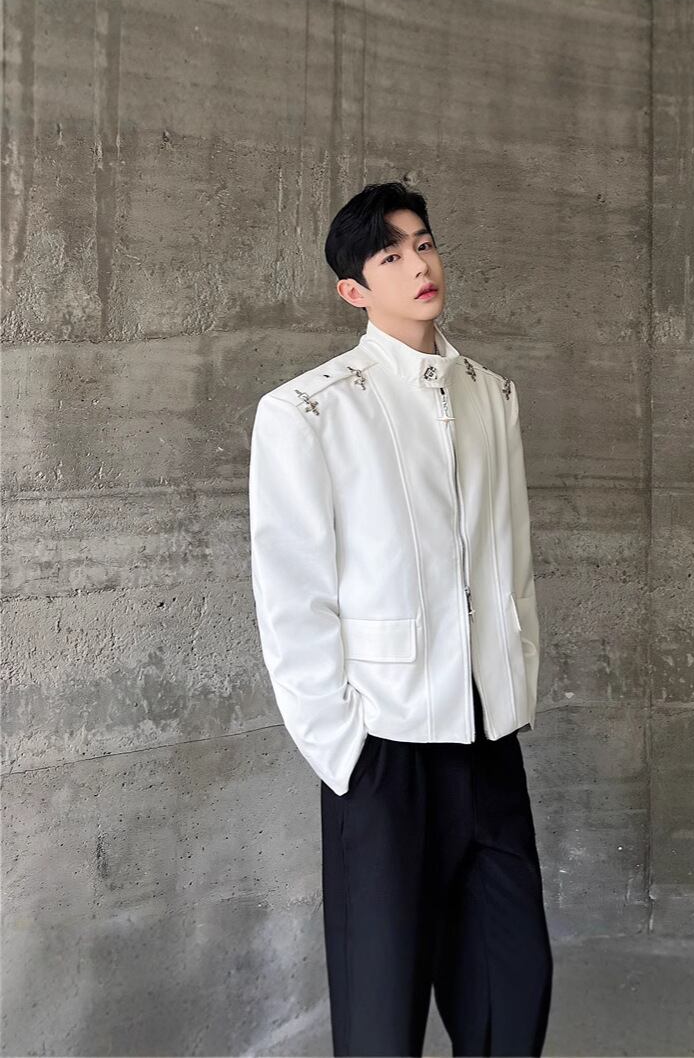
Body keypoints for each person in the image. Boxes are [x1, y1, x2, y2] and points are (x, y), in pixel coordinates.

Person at [249, 181, 553, 1057]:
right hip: (382, 751)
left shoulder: (491, 396)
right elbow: (293, 596)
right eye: (390, 254)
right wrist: (344, 750)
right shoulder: (309, 410)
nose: (419, 264)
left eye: (423, 243)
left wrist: (515, 677)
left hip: (486, 738)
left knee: (510, 992)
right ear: (353, 289)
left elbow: (511, 559)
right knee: (382, 1017)